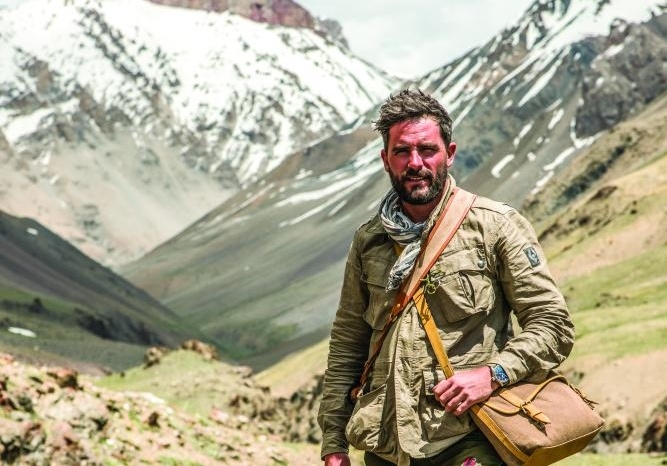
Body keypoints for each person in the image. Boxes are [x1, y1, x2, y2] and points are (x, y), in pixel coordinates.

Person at [317, 89, 575, 466]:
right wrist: (334, 442)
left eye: (427, 150)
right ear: (385, 160)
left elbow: (553, 325)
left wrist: (493, 373)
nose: (415, 162)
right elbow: (347, 346)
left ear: (449, 154)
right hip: (386, 445)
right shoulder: (369, 241)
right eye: (402, 151)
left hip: (471, 437)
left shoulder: (494, 226)